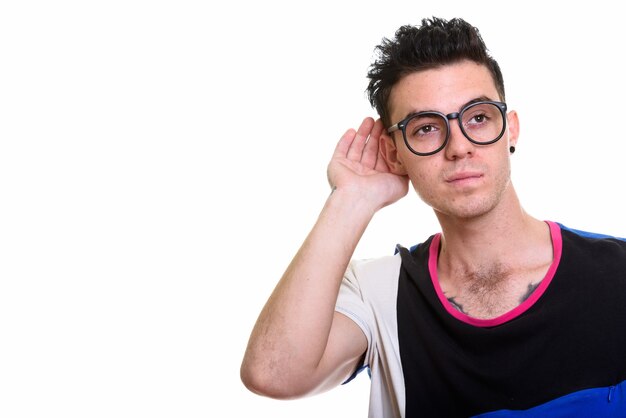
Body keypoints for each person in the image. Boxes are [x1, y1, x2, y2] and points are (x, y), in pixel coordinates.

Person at [240, 17, 626, 417]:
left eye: (478, 117)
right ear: (394, 153)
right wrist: (352, 199)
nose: (459, 147)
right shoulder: (380, 295)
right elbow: (273, 373)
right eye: (426, 128)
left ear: (510, 129)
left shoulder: (618, 273)